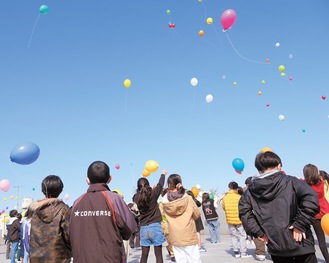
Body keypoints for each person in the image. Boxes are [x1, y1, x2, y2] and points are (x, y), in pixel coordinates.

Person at [239, 151, 320, 263]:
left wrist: (258, 232)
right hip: (301, 244)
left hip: (276, 246)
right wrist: (300, 224)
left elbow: (244, 213)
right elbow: (312, 198)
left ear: (258, 170)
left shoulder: (250, 191)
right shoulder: (291, 181)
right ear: (279, 166)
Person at [70, 161, 136, 263]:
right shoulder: (114, 199)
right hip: (110, 258)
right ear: (110, 179)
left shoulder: (77, 203)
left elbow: (70, 232)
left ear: (87, 179)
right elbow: (128, 230)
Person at [29, 175, 71, 263]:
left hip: (36, 259)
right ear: (61, 190)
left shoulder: (34, 210)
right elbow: (69, 235)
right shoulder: (63, 209)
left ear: (42, 190)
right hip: (58, 258)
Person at [162, 174, 202, 263]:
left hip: (175, 235)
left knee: (180, 260)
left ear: (169, 184)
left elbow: (163, 214)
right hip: (188, 234)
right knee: (194, 259)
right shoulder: (187, 197)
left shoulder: (165, 201)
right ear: (179, 183)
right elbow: (196, 214)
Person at [133, 169, 167, 263]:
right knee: (158, 255)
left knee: (144, 256)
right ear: (148, 185)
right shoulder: (153, 193)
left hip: (144, 228)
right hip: (155, 226)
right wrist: (163, 174)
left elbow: (141, 194)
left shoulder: (136, 197)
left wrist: (147, 189)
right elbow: (160, 185)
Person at [303, 164, 329, 263]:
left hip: (314, 214)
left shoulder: (305, 186)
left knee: (320, 240)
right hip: (326, 213)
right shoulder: (322, 183)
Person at [222, 181, 251, 259]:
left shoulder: (225, 197)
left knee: (233, 236)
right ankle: (243, 253)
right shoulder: (239, 197)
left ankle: (236, 252)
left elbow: (224, 207)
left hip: (230, 220)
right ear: (236, 188)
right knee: (242, 236)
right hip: (239, 220)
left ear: (229, 187)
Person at [244, 176, 266, 261]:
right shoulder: (264, 190)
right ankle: (274, 250)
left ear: (247, 185)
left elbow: (245, 209)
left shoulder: (247, 193)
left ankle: (260, 253)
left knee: (257, 233)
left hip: (255, 216)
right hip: (266, 216)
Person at [159, 188, 176, 262]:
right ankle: (172, 254)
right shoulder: (161, 203)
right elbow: (161, 213)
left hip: (173, 222)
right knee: (170, 240)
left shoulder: (173, 200)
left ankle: (174, 252)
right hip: (165, 223)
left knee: (175, 239)